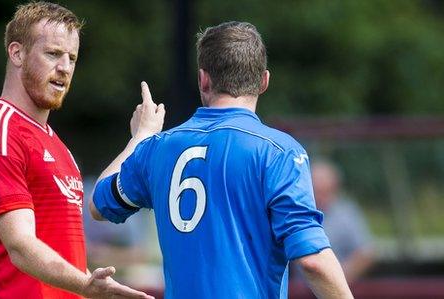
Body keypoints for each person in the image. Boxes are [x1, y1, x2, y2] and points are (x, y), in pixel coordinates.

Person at [90, 21, 353, 298]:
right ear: (264, 81)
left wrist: (139, 138)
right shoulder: (279, 151)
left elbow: (98, 204)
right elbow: (313, 260)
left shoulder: (157, 148)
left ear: (203, 79)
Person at [0, 2, 152, 299]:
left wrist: (139, 139)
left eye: (72, 58)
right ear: (17, 53)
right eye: (52, 53)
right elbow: (21, 246)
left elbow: (82, 229)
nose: (64, 67)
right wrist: (86, 285)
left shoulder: (57, 147)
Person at [311, 160, 374, 283]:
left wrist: (336, 280)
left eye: (324, 191)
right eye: (316, 191)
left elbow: (366, 252)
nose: (319, 197)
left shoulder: (346, 213)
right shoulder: (297, 212)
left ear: (335, 187)